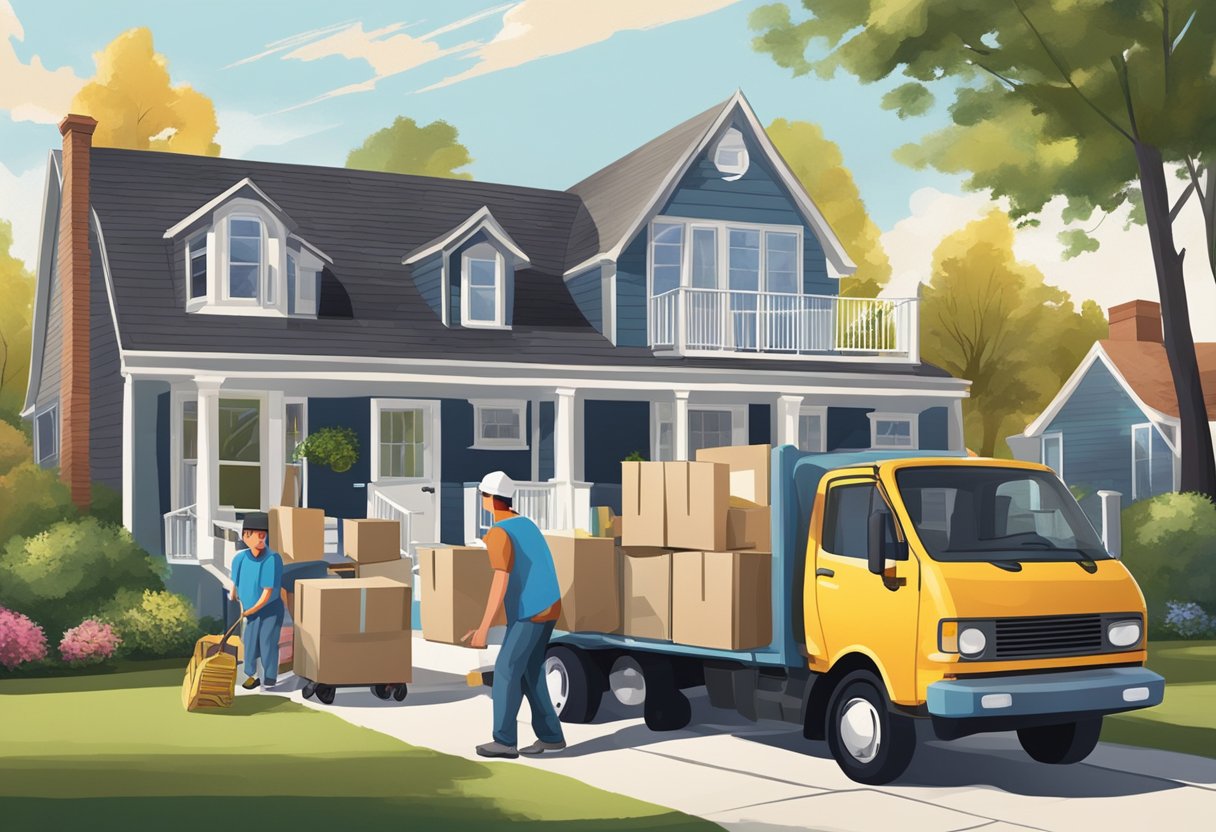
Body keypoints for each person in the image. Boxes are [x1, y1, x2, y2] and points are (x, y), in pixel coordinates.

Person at [463, 471, 566, 759]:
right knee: (530, 673)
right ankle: (551, 736)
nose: (482, 500)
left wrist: (483, 628)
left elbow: (501, 581)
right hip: (549, 606)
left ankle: (504, 741)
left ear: (490, 499)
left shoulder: (498, 533)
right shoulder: (525, 524)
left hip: (529, 611)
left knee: (507, 670)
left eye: (483, 495)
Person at [229, 512, 284, 691]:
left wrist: (252, 609)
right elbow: (235, 583)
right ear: (246, 535)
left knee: (267, 642)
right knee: (250, 642)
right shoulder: (239, 558)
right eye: (257, 534)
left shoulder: (272, 559)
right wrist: (234, 595)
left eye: (264, 535)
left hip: (270, 610)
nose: (262, 538)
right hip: (249, 610)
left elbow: (267, 593)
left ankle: (269, 677)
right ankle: (252, 676)